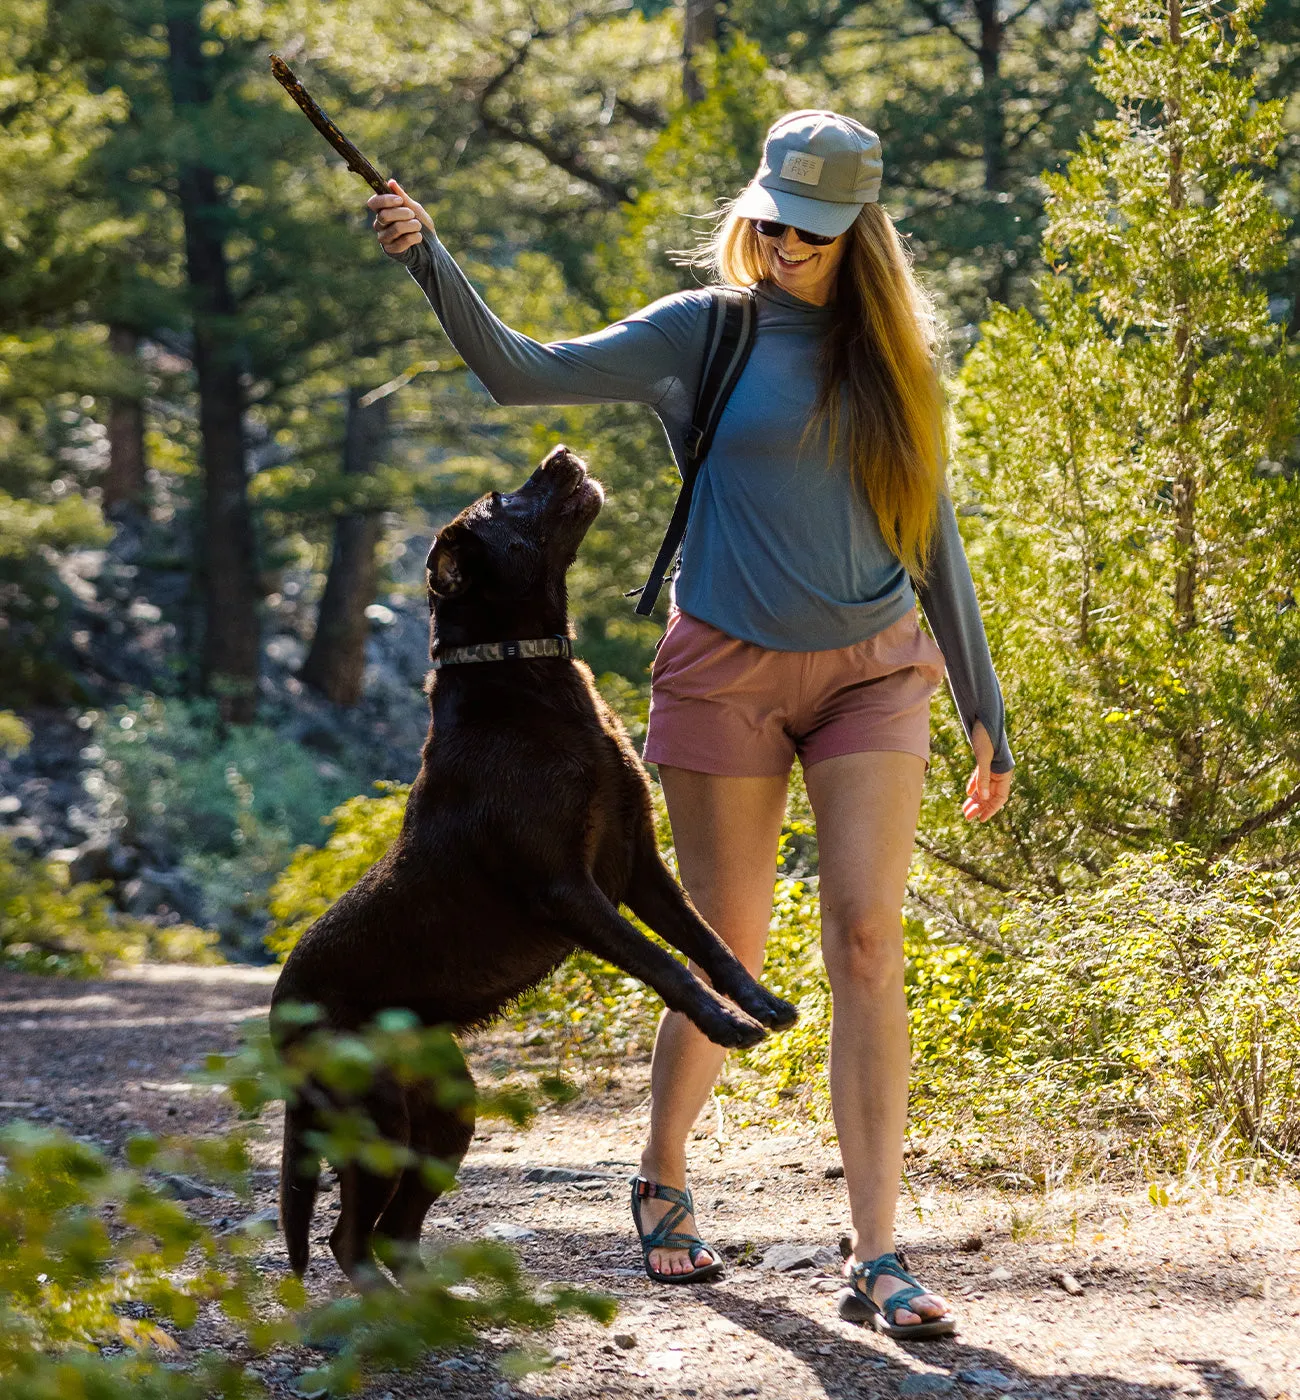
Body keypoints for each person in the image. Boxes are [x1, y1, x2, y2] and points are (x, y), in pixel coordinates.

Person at [368, 109, 1012, 1339]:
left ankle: (878, 1249)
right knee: (730, 944)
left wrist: (984, 705)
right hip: (723, 670)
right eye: (769, 217)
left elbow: (932, 533)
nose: (783, 242)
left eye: (811, 230)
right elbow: (517, 367)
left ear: (860, 232)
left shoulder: (892, 357)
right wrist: (426, 252)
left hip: (875, 669)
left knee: (868, 937)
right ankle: (664, 1168)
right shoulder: (699, 337)